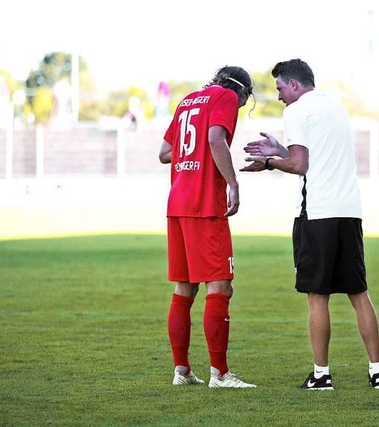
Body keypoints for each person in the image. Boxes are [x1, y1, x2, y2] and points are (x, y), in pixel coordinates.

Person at [240, 59, 379, 390]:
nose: (278, 96)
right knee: (359, 293)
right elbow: (312, 155)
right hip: (349, 212)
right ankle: (377, 372)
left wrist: (268, 162)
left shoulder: (295, 112)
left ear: (294, 85)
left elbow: (299, 164)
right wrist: (280, 149)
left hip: (317, 214)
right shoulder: (335, 107)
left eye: (280, 88)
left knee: (317, 297)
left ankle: (321, 375)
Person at [158, 65, 256, 388]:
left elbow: (165, 152)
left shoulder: (188, 100)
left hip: (177, 205)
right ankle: (220, 373)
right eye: (245, 102)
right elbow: (215, 138)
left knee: (184, 289)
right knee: (220, 287)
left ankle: (181, 370)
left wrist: (193, 157)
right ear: (240, 91)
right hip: (204, 205)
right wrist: (233, 183)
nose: (240, 108)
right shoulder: (225, 96)